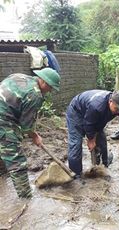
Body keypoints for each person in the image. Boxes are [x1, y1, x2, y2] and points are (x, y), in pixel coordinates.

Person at [0, 68, 61, 198]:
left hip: (5, 114)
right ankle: (25, 198)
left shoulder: (20, 76)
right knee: (16, 160)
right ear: (44, 82)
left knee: (4, 150)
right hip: (3, 120)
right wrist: (34, 136)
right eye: (50, 88)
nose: (50, 91)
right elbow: (26, 126)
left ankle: (2, 180)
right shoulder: (35, 95)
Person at [67, 90, 119, 176]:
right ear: (110, 101)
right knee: (76, 143)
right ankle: (76, 174)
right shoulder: (96, 106)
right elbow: (88, 125)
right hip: (77, 112)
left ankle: (102, 165)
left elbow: (98, 126)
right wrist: (91, 140)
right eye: (116, 109)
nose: (118, 111)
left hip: (95, 115)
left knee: (101, 141)